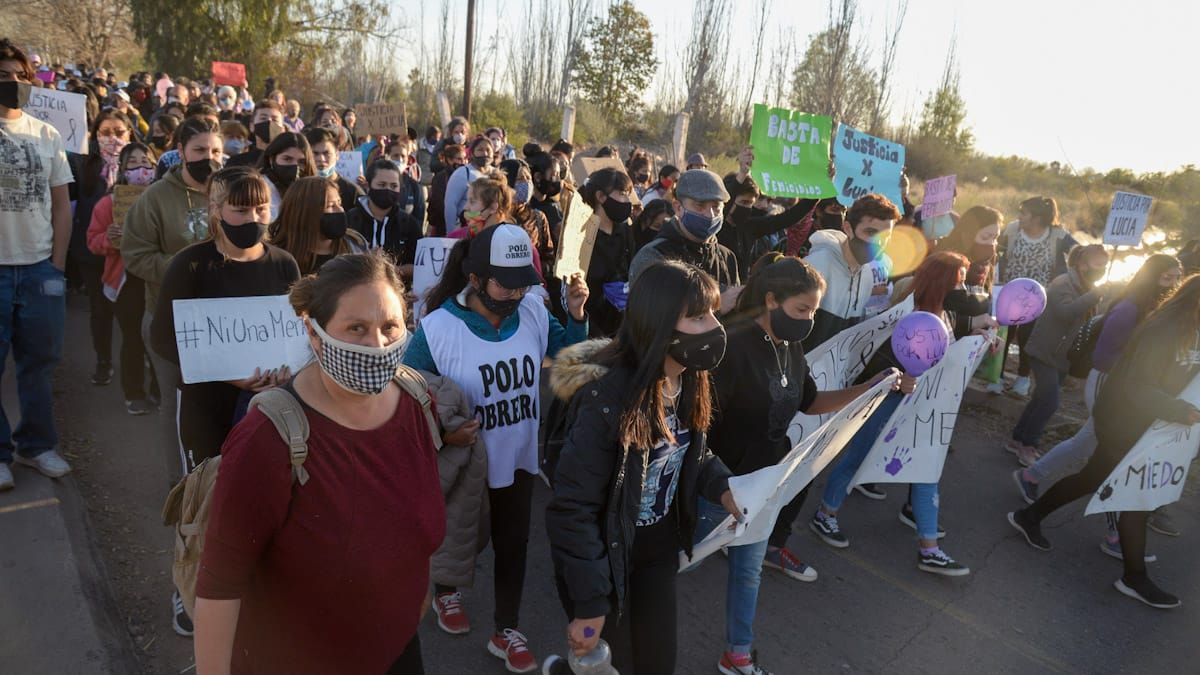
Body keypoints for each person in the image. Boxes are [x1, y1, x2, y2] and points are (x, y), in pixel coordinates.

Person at [193, 253, 445, 674]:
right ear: (314, 334)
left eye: (390, 328)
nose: (377, 345)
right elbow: (220, 585)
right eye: (356, 328)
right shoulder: (268, 439)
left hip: (397, 653)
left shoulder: (418, 403)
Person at [697, 253, 905, 674]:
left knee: (748, 573)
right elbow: (699, 421)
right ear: (772, 300)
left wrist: (869, 388)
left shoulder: (790, 346)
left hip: (762, 488)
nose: (809, 319)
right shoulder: (731, 346)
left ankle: (737, 654)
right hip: (717, 486)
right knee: (671, 561)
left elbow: (810, 403)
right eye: (802, 309)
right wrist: (713, 482)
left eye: (813, 310)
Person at [403, 224, 589, 673]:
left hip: (519, 458)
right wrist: (446, 437)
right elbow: (407, 397)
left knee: (514, 544)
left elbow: (571, 357)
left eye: (524, 280)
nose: (517, 291)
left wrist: (577, 313)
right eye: (506, 282)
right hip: (464, 462)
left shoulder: (532, 311)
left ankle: (505, 629)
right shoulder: (438, 329)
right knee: (460, 535)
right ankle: (446, 591)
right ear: (475, 279)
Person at [545, 260, 738, 675]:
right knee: (613, 665)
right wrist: (591, 605)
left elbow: (690, 454)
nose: (714, 328)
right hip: (607, 557)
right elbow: (572, 508)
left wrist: (723, 486)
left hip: (657, 553)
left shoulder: (691, 378)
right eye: (698, 317)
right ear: (661, 325)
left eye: (714, 315)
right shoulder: (606, 397)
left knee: (656, 664)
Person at [149, 167, 299, 635]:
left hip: (269, 407)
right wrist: (229, 375)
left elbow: (294, 334)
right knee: (204, 499)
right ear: (216, 212)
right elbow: (163, 338)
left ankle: (248, 581)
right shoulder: (190, 265)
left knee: (259, 493)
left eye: (260, 207)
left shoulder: (284, 265)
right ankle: (187, 585)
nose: (252, 216)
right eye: (240, 207)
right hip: (205, 408)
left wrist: (283, 369)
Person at [1008, 276, 1200, 610]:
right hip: (1124, 420)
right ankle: (1134, 577)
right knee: (1132, 496)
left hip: (1149, 426)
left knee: (1095, 480)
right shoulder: (1164, 332)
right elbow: (1137, 386)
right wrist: (1179, 409)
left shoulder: (1191, 331)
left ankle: (1030, 516)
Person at [810, 251, 996, 574]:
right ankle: (825, 515)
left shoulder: (945, 312)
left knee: (926, 468)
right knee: (857, 457)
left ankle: (929, 548)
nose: (965, 287)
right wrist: (899, 379)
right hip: (887, 401)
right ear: (941, 282)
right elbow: (877, 359)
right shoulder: (905, 314)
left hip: (921, 406)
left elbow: (946, 337)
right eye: (959, 280)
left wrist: (979, 333)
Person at [1014, 255, 1181, 549]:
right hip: (1110, 385)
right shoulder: (1130, 308)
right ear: (1152, 276)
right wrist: (1137, 373)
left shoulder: (1153, 308)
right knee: (1113, 456)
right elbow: (1103, 357)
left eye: (1177, 277)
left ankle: (1032, 475)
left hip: (1125, 387)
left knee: (1092, 444)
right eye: (1168, 277)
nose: (1174, 284)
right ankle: (1116, 533)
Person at [122, 116, 224, 495]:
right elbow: (135, 256)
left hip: (224, 325)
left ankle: (217, 483)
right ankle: (180, 486)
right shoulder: (155, 198)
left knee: (217, 405)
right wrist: (185, 268)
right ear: (180, 151)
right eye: (199, 150)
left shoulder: (231, 193)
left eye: (215, 151)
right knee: (176, 406)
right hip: (171, 320)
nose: (208, 158)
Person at [0, 40, 74, 490]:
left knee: (40, 364)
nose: (13, 83)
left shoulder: (46, 134)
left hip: (40, 270)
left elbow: (62, 204)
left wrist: (57, 265)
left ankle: (36, 446)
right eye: (5, 75)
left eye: (20, 76)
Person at [1007, 244, 1110, 465]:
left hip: (1062, 356)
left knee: (1040, 399)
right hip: (1045, 352)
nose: (1102, 269)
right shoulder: (1063, 283)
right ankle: (1028, 445)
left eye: (1105, 265)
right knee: (1050, 402)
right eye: (1098, 264)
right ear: (1082, 264)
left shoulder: (1086, 285)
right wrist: (1094, 296)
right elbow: (1065, 313)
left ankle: (1017, 439)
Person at [86, 142, 159, 415]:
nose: (141, 168)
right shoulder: (109, 203)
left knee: (158, 338)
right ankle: (134, 392)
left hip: (156, 279)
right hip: (125, 281)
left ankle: (158, 389)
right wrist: (109, 239)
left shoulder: (161, 200)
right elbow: (92, 241)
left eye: (146, 162)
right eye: (133, 163)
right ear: (123, 170)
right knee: (133, 337)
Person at [71, 109, 134, 387]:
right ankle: (103, 360)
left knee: (131, 310)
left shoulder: (139, 166)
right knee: (100, 309)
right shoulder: (83, 165)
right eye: (105, 132)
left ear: (129, 134)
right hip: (93, 251)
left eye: (119, 132)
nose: (112, 138)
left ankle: (136, 363)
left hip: (130, 254)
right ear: (95, 135)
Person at [997, 197, 1078, 396]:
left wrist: (1070, 280)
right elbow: (995, 250)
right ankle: (996, 376)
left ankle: (1022, 380)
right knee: (1003, 336)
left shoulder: (1058, 235)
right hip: (1008, 292)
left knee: (1027, 338)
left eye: (1023, 213)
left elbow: (1079, 252)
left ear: (1037, 218)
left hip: (1037, 298)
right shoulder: (1012, 229)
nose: (1019, 216)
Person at [802, 193, 900, 351]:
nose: (878, 242)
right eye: (870, 232)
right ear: (848, 228)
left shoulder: (867, 274)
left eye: (885, 236)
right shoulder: (817, 266)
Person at [628, 169, 739, 290]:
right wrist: (718, 302)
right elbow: (648, 306)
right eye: (700, 206)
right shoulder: (654, 256)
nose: (710, 215)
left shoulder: (727, 258)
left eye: (716, 206)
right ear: (678, 208)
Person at [577, 168, 636, 337]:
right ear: (601, 197)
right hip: (592, 327)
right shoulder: (581, 234)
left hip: (623, 325)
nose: (627, 200)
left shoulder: (625, 231)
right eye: (622, 194)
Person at [271, 176, 370, 275]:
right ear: (305, 212)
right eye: (330, 206)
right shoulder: (277, 258)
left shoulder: (355, 245)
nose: (340, 210)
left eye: (340, 204)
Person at [347, 159, 423, 278]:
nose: (388, 190)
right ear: (368, 185)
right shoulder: (350, 220)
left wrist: (388, 270)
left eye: (393, 186)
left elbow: (420, 265)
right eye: (381, 185)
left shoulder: (409, 223)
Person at [305, 127, 363, 218]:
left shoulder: (353, 192)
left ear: (337, 155)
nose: (321, 159)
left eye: (326, 153)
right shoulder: (301, 190)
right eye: (315, 154)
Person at [257, 131, 315, 220]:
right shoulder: (258, 189)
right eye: (287, 159)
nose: (295, 166)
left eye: (301, 162)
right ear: (271, 159)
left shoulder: (311, 190)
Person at [444, 136, 495, 230]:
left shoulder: (496, 174)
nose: (485, 153)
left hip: (492, 227)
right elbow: (450, 205)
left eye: (488, 150)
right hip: (469, 227)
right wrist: (451, 233)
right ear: (472, 153)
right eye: (480, 150)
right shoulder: (462, 173)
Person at [225, 99, 284, 169]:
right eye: (263, 118)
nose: (269, 121)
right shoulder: (236, 163)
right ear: (252, 126)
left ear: (282, 129)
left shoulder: (288, 162)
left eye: (275, 120)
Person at [428, 143, 467, 237]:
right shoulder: (440, 177)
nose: (463, 162)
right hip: (442, 224)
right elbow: (439, 202)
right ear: (449, 160)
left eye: (465, 159)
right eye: (459, 159)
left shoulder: (466, 175)